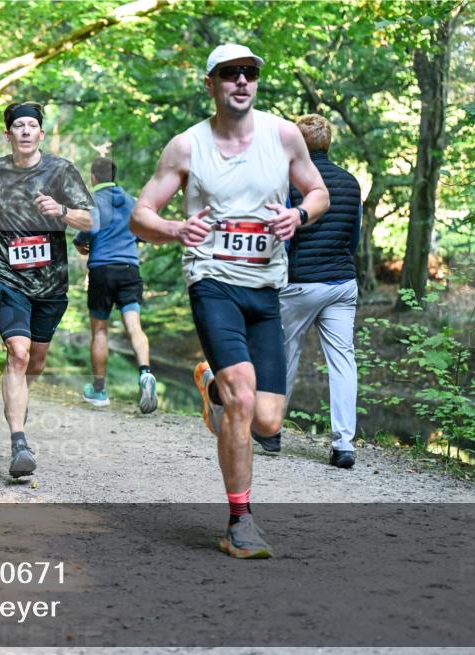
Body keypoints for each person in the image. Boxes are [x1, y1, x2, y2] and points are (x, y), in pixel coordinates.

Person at [130, 44, 329, 558]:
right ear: (211, 84)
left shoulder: (284, 136)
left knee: (267, 421)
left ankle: (212, 388)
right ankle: (240, 521)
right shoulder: (188, 147)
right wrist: (177, 228)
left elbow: (318, 192)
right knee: (245, 398)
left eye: (250, 73)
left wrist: (299, 216)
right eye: (230, 74)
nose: (241, 81)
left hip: (266, 288)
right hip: (212, 282)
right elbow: (140, 215)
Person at [0, 101, 94, 478]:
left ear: (41, 134)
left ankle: (18, 398)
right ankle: (19, 442)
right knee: (18, 352)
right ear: (8, 134)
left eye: (32, 125)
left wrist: (60, 211)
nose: (26, 131)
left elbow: (91, 219)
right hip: (7, 275)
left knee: (34, 363)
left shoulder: (61, 170)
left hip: (51, 282)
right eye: (19, 126)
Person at [281, 114, 362, 469]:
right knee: (343, 360)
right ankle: (344, 445)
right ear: (328, 144)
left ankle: (270, 430)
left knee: (285, 354)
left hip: (300, 282)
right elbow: (354, 236)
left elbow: (282, 238)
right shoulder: (351, 182)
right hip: (342, 283)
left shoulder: (289, 182)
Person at [73, 157, 158, 413]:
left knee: (100, 331)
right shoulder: (133, 202)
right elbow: (143, 232)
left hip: (102, 270)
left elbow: (87, 231)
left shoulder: (92, 201)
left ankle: (99, 391)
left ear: (93, 177)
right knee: (134, 326)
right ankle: (145, 374)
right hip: (130, 269)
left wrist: (80, 244)